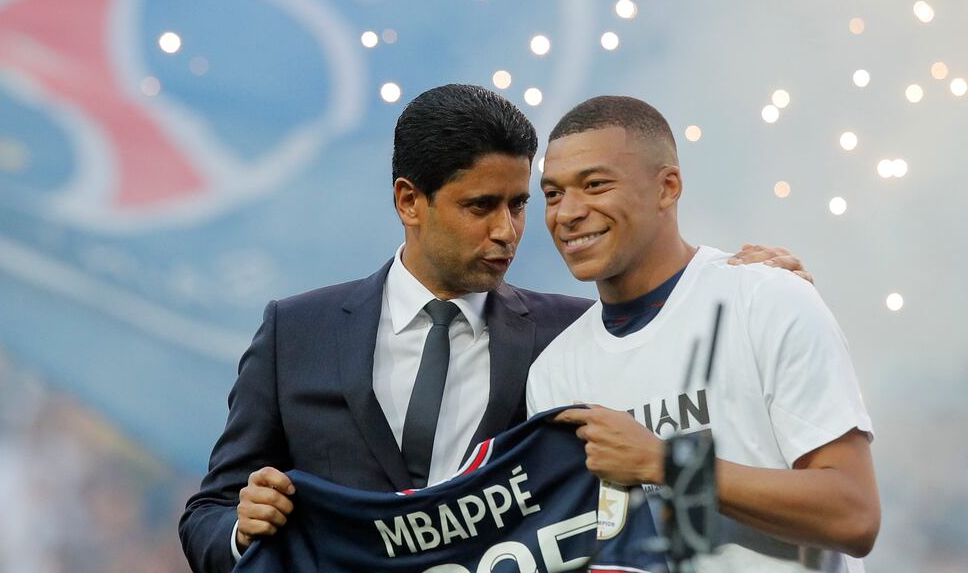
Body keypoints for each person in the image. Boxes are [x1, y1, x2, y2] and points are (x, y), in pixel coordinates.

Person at [180, 84, 808, 573]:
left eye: (519, 204)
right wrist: (241, 530)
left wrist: (746, 281)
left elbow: (679, 357)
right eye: (480, 207)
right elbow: (208, 511)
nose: (507, 230)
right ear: (409, 202)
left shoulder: (571, 337)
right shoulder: (296, 332)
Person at [526, 95, 879, 571]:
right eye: (553, 194)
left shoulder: (768, 299)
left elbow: (854, 514)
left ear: (667, 187)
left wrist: (666, 463)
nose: (567, 212)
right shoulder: (554, 373)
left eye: (594, 185)